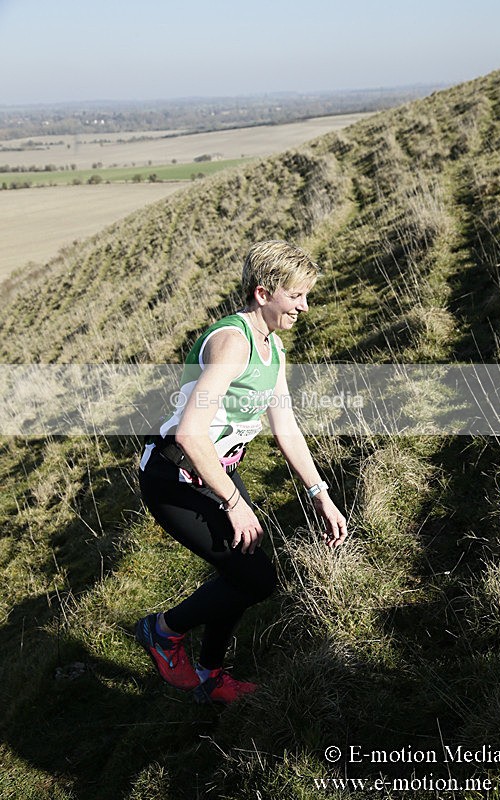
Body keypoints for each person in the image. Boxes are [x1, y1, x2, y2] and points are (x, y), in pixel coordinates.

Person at [135, 240, 347, 704]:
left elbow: (285, 426)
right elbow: (190, 434)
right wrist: (233, 503)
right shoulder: (233, 343)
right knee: (255, 579)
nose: (304, 307)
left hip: (217, 472)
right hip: (174, 477)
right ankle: (163, 631)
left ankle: (211, 676)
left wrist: (320, 494)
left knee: (243, 574)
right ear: (262, 293)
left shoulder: (273, 349)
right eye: (297, 296)